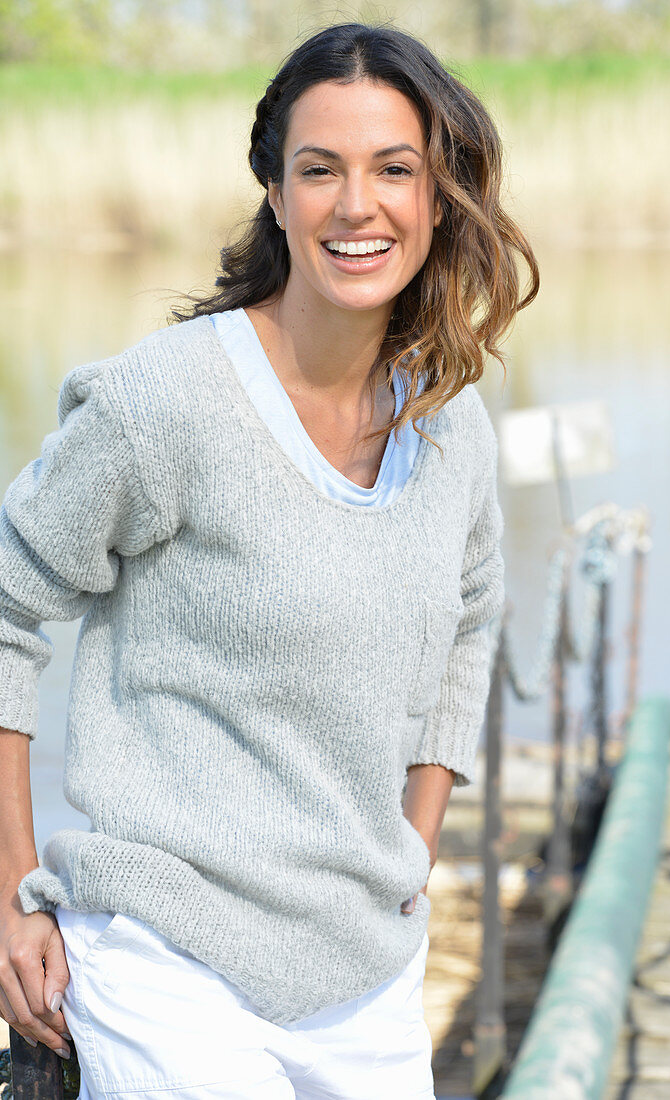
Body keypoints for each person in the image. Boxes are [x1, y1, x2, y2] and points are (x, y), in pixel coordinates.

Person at [0, 21, 538, 1099]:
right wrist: (11, 890)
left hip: (363, 964)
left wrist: (414, 843)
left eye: (394, 169)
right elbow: (10, 602)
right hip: (166, 950)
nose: (356, 205)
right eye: (318, 169)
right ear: (274, 188)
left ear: (439, 195)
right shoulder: (168, 402)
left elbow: (471, 622)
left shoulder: (452, 428)